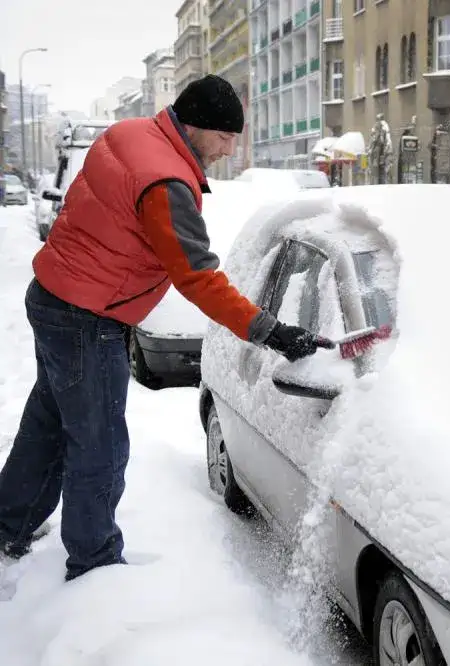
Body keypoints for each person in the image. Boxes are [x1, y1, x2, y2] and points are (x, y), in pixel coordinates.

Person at [0, 74, 334, 582]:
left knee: (48, 425)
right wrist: (271, 331)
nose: (227, 150)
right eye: (224, 138)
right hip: (87, 318)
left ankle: (8, 526)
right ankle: (94, 565)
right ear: (196, 126)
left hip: (54, 297)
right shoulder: (166, 182)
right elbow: (197, 277)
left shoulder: (129, 135)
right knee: (100, 445)